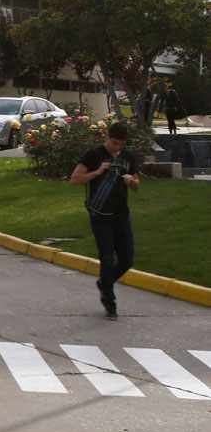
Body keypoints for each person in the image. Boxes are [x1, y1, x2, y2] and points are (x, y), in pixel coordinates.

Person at [70, 121, 140, 320]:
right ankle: (110, 302)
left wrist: (132, 181)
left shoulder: (128, 157)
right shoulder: (94, 155)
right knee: (107, 260)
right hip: (100, 215)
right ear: (107, 137)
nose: (117, 147)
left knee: (127, 260)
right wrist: (97, 172)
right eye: (114, 143)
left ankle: (104, 282)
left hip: (121, 214)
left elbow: (137, 187)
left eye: (121, 144)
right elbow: (75, 180)